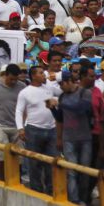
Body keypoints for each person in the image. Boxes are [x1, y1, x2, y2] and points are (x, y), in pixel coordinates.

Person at [15, 65, 61, 195]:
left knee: (52, 164)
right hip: (34, 130)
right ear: (33, 76)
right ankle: (37, 192)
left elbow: (63, 92)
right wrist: (20, 128)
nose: (44, 74)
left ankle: (51, 192)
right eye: (41, 73)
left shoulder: (49, 88)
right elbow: (19, 110)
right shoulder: (25, 92)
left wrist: (57, 78)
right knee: (34, 164)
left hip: (52, 130)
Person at [59, 65, 95, 204]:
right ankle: (73, 200)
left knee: (84, 171)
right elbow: (60, 118)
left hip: (85, 137)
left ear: (69, 82)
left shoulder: (84, 93)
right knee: (72, 171)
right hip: (68, 138)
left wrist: (61, 106)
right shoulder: (62, 96)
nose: (61, 87)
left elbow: (81, 109)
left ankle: (83, 198)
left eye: (62, 84)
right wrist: (52, 109)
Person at [0, 63, 27, 178]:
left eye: (16, 79)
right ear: (6, 75)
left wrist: (23, 125)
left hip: (17, 126)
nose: (13, 82)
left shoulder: (22, 87)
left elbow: (25, 108)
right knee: (1, 156)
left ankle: (17, 179)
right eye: (11, 79)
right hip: (0, 125)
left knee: (18, 157)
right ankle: (1, 179)